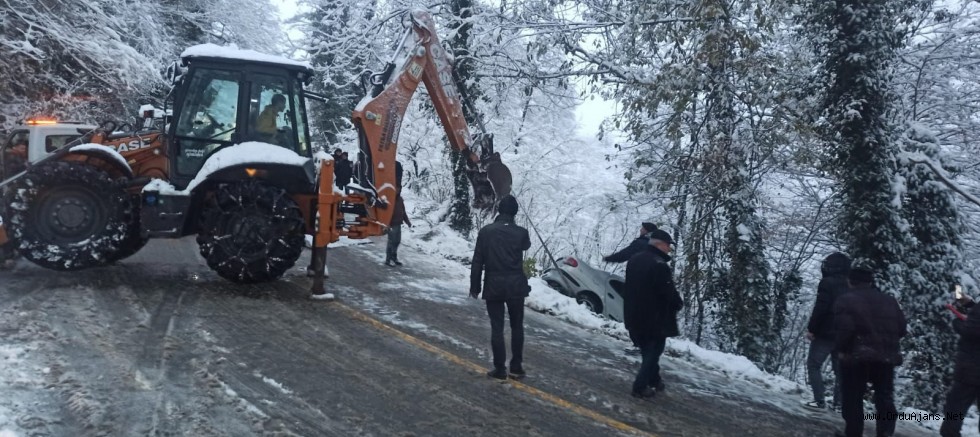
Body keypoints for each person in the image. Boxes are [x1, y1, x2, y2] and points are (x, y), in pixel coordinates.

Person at [833, 267, 907, 437]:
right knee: (884, 397)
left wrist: (842, 350)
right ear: (871, 282)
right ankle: (886, 432)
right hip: (885, 357)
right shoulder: (889, 300)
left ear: (850, 281)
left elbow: (845, 329)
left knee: (853, 397)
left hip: (856, 356)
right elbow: (902, 329)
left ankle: (853, 433)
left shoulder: (845, 300)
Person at [470, 195, 531, 380]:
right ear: (515, 212)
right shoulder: (522, 232)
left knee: (497, 327)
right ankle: (516, 366)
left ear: (498, 210)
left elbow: (477, 262)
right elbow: (526, 245)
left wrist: (475, 286)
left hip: (494, 284)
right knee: (517, 326)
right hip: (515, 286)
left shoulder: (486, 231)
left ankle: (499, 368)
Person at [624, 228, 683, 399]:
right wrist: (678, 303)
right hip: (654, 318)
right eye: (667, 245)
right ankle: (640, 387)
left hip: (633, 314)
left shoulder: (635, 259)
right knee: (653, 352)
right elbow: (667, 291)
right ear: (659, 245)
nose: (669, 249)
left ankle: (655, 380)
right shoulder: (659, 264)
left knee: (647, 350)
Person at [803, 252, 851, 410]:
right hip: (845, 334)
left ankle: (819, 400)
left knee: (814, 365)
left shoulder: (827, 283)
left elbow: (821, 308)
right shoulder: (852, 285)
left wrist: (812, 329)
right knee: (841, 371)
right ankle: (839, 404)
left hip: (826, 332)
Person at [940, 293, 980, 437]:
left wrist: (956, 321)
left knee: (955, 408)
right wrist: (971, 305)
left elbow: (970, 330)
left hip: (970, 370)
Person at [385, 194, 411, 267]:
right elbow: (386, 212)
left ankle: (394, 257)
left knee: (397, 241)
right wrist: (387, 223)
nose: (398, 190)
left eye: (400, 188)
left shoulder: (400, 199)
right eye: (397, 188)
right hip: (391, 224)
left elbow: (403, 211)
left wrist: (407, 222)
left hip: (398, 224)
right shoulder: (390, 199)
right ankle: (388, 260)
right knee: (391, 242)